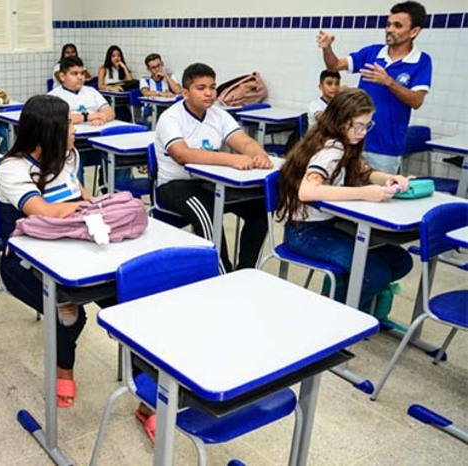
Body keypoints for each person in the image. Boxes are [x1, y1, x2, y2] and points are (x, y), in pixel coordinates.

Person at [0, 94, 115, 409]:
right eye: (68, 124)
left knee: (128, 299)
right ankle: (64, 370)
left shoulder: (67, 158)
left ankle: (148, 391)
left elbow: (86, 200)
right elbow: (44, 213)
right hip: (24, 264)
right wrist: (89, 210)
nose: (75, 129)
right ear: (47, 131)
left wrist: (93, 209)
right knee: (69, 316)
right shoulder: (12, 169)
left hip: (75, 254)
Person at [276, 88, 413, 310]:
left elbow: (364, 171)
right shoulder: (332, 148)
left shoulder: (344, 144)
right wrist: (364, 193)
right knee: (374, 274)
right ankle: (333, 317)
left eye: (367, 125)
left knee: (399, 260)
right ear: (340, 121)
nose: (363, 132)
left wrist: (389, 178)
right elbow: (308, 191)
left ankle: (337, 299)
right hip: (305, 232)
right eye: (358, 125)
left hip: (331, 226)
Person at [155, 63, 272, 272]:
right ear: (185, 93)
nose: (209, 93)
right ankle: (221, 272)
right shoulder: (170, 118)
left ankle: (246, 270)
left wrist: (258, 154)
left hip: (212, 183)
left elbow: (243, 142)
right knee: (206, 212)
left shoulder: (218, 114)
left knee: (259, 207)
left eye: (212, 87)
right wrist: (230, 159)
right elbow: (182, 155)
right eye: (201, 88)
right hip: (175, 186)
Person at [317, 1, 432, 174]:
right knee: (345, 193)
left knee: (378, 195)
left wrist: (389, 81)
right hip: (353, 141)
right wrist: (327, 49)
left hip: (386, 148)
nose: (389, 29)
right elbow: (334, 66)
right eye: (388, 24)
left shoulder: (421, 61)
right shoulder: (371, 53)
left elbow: (417, 101)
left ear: (414, 31)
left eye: (397, 25)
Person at [48, 56, 116, 184]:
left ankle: (114, 194)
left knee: (117, 160)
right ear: (62, 76)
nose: (80, 77)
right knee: (74, 166)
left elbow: (110, 111)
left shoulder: (91, 91)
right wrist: (88, 116)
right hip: (70, 145)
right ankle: (80, 199)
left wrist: (102, 118)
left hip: (97, 141)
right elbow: (59, 118)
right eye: (74, 74)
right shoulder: (53, 96)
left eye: (82, 73)